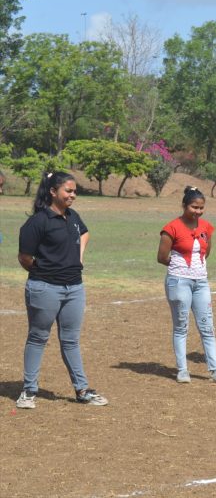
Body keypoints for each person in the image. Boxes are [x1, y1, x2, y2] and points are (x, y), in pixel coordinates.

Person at [16, 171, 108, 409]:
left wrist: (78, 257)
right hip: (45, 288)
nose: (73, 195)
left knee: (71, 340)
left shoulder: (73, 217)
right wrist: (44, 273)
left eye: (74, 191)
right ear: (53, 191)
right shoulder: (38, 222)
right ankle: (29, 391)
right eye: (68, 191)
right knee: (38, 337)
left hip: (74, 288)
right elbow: (25, 257)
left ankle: (82, 390)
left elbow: (84, 233)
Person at [157, 186, 216, 385]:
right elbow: (162, 257)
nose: (198, 211)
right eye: (194, 207)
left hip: (201, 283)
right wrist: (181, 268)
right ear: (184, 205)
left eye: (201, 208)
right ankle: (182, 370)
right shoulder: (171, 228)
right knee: (181, 327)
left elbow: (206, 252)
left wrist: (196, 270)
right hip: (178, 282)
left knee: (207, 327)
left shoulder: (206, 227)